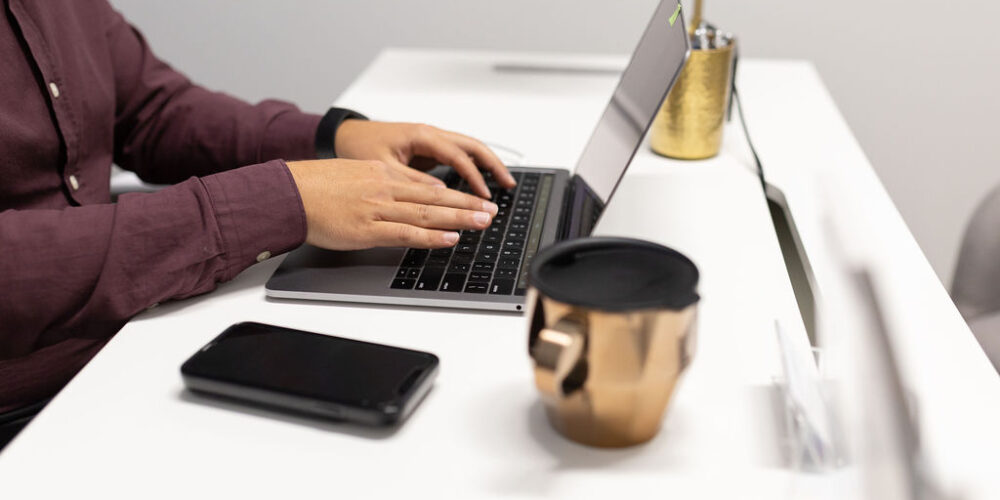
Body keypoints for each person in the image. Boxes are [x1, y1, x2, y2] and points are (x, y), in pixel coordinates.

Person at [0, 0, 515, 417]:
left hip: (128, 338)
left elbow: (150, 112)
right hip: (34, 408)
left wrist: (330, 136)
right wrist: (278, 201)